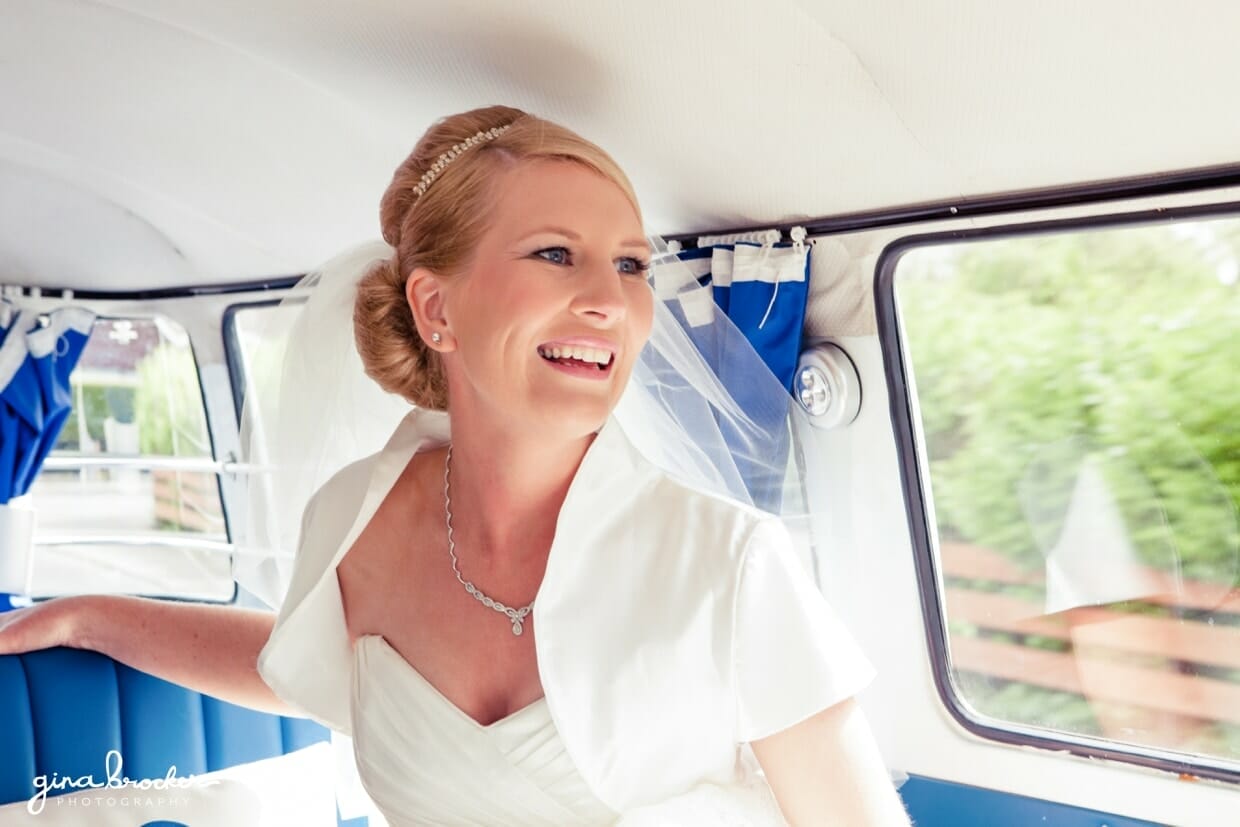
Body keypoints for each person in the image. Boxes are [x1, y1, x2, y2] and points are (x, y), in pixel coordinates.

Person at [0, 105, 910, 826]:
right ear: (437, 309)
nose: (609, 301)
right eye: (556, 254)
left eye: (632, 264)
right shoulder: (354, 521)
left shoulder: (730, 563)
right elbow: (302, 662)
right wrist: (89, 616)